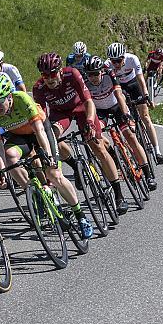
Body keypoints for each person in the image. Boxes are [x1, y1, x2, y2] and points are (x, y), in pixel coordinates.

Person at [0, 73, 94, 239]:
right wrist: (2, 171)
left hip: (40, 130)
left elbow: (40, 131)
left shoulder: (22, 100)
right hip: (19, 136)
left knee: (54, 175)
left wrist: (48, 156)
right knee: (9, 155)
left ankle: (80, 215)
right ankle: (33, 191)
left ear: (9, 96)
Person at [33, 52, 129, 215]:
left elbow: (89, 101)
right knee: (52, 138)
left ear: (60, 71)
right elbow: (42, 120)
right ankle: (74, 165)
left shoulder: (72, 74)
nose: (49, 78)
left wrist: (91, 122)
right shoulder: (39, 88)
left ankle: (119, 195)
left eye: (53, 74)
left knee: (98, 147)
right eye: (45, 75)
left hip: (82, 109)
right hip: (61, 114)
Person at [82, 56, 157, 191]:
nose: (93, 77)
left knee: (130, 136)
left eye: (96, 73)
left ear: (101, 71)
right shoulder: (85, 82)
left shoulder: (109, 74)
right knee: (96, 137)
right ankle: (111, 152)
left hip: (116, 106)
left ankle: (148, 175)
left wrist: (126, 114)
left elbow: (118, 94)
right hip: (100, 111)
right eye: (90, 74)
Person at [106, 42, 163, 165]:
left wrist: (146, 95)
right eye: (113, 61)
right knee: (124, 110)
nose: (116, 64)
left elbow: (140, 78)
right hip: (120, 87)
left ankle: (157, 151)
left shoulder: (132, 59)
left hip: (133, 84)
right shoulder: (107, 65)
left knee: (145, 117)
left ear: (124, 57)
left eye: (118, 60)